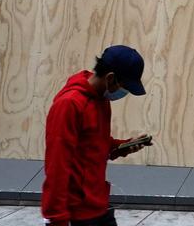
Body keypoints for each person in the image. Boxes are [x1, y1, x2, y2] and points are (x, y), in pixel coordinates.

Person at [41, 45, 151, 226]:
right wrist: (57, 219)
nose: (124, 93)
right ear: (110, 78)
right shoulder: (69, 105)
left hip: (99, 206)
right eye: (124, 87)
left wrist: (121, 147)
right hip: (77, 214)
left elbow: (92, 145)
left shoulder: (101, 101)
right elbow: (56, 165)